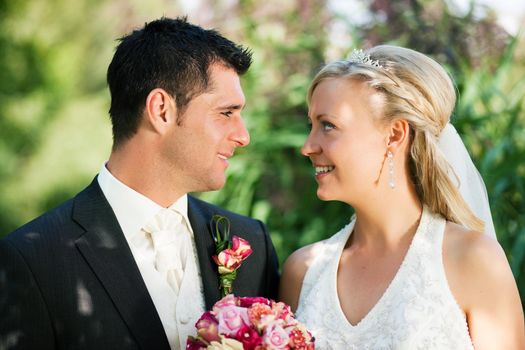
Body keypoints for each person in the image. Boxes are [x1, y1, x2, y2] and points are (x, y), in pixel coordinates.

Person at [0, 17, 279, 350]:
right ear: (161, 110)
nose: (243, 136)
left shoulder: (251, 245)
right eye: (226, 112)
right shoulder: (32, 259)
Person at [280, 45, 525, 349]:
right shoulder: (303, 272)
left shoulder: (472, 259)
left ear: (395, 134)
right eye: (312, 125)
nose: (307, 146)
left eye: (328, 125)